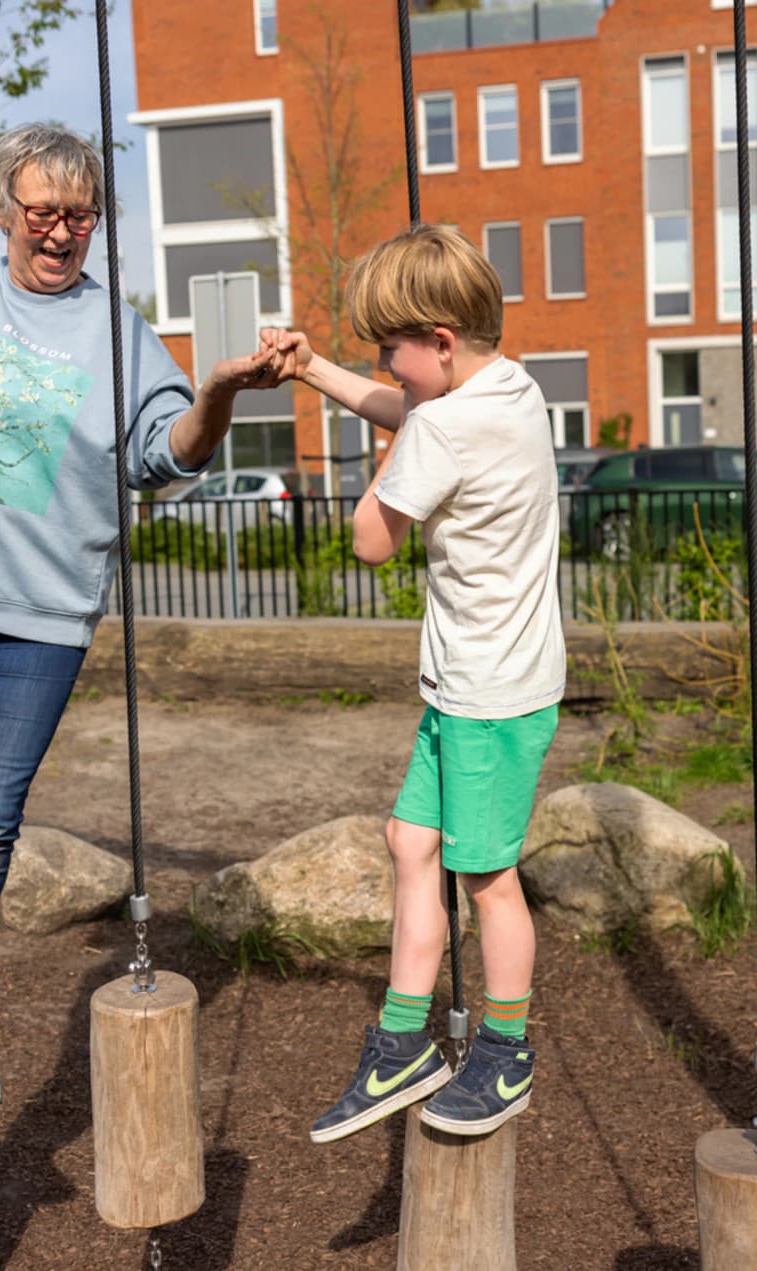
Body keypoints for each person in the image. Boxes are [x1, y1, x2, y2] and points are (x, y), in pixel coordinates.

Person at [0, 123, 284, 1124]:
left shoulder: (117, 331)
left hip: (44, 611)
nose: (62, 232)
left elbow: (167, 455)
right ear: (8, 209)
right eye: (44, 211)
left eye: (82, 215)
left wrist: (215, 392)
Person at [262, 223, 565, 1140]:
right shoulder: (509, 387)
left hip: (489, 694)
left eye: (389, 349)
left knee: (487, 878)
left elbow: (370, 540)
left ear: (438, 340)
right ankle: (402, 1043)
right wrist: (314, 370)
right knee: (410, 840)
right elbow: (410, 408)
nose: (383, 367)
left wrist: (398, 444)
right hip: (481, 682)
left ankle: (505, 1052)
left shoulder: (443, 424)